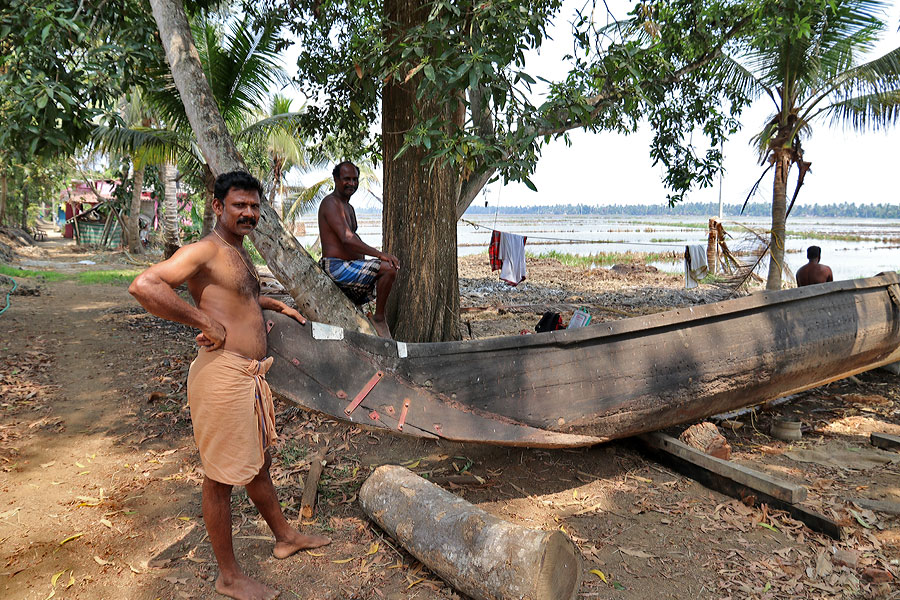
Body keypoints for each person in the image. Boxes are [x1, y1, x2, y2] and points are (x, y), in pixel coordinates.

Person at [129, 171, 329, 600]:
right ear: (218, 206)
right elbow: (144, 285)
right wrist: (203, 321)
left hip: (246, 377)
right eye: (239, 205)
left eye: (255, 206)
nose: (249, 213)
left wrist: (267, 303)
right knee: (219, 479)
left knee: (258, 463)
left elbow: (233, 298)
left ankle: (285, 537)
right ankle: (228, 576)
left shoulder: (235, 250)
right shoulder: (203, 249)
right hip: (221, 375)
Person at [318, 161, 399, 339]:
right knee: (388, 268)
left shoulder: (349, 208)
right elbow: (346, 238)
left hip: (351, 268)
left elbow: (354, 238)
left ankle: (372, 317)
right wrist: (380, 254)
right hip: (336, 268)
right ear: (336, 179)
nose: (352, 183)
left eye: (355, 179)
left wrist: (370, 259)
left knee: (388, 266)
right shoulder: (331, 203)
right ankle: (379, 317)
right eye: (347, 179)